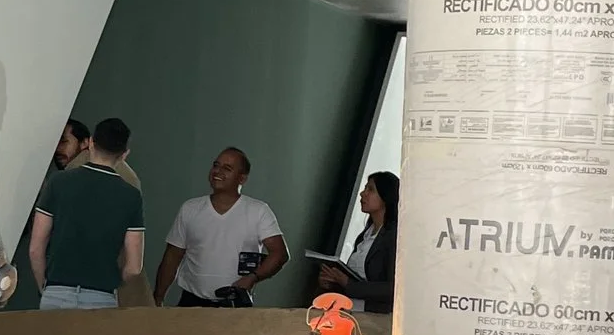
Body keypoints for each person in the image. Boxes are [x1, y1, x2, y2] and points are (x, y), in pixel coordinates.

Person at [31, 117, 143, 309]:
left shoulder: (58, 182)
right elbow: (134, 267)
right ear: (124, 154)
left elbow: (35, 249)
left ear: (90, 142)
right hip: (102, 295)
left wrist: (46, 287)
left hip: (57, 291)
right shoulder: (131, 195)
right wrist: (114, 282)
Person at [154, 148, 288, 306]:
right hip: (191, 303)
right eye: (216, 165)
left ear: (242, 178)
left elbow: (279, 254)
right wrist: (158, 297)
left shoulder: (258, 211)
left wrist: (253, 277)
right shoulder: (190, 208)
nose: (217, 171)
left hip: (235, 304)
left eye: (227, 168)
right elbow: (172, 256)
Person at [317, 170, 398, 313]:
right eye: (365, 188)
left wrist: (348, 283)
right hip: (350, 310)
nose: (362, 193)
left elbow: (394, 288)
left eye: (370, 189)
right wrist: (333, 281)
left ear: (386, 196)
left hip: (375, 318)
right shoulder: (364, 235)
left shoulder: (393, 238)